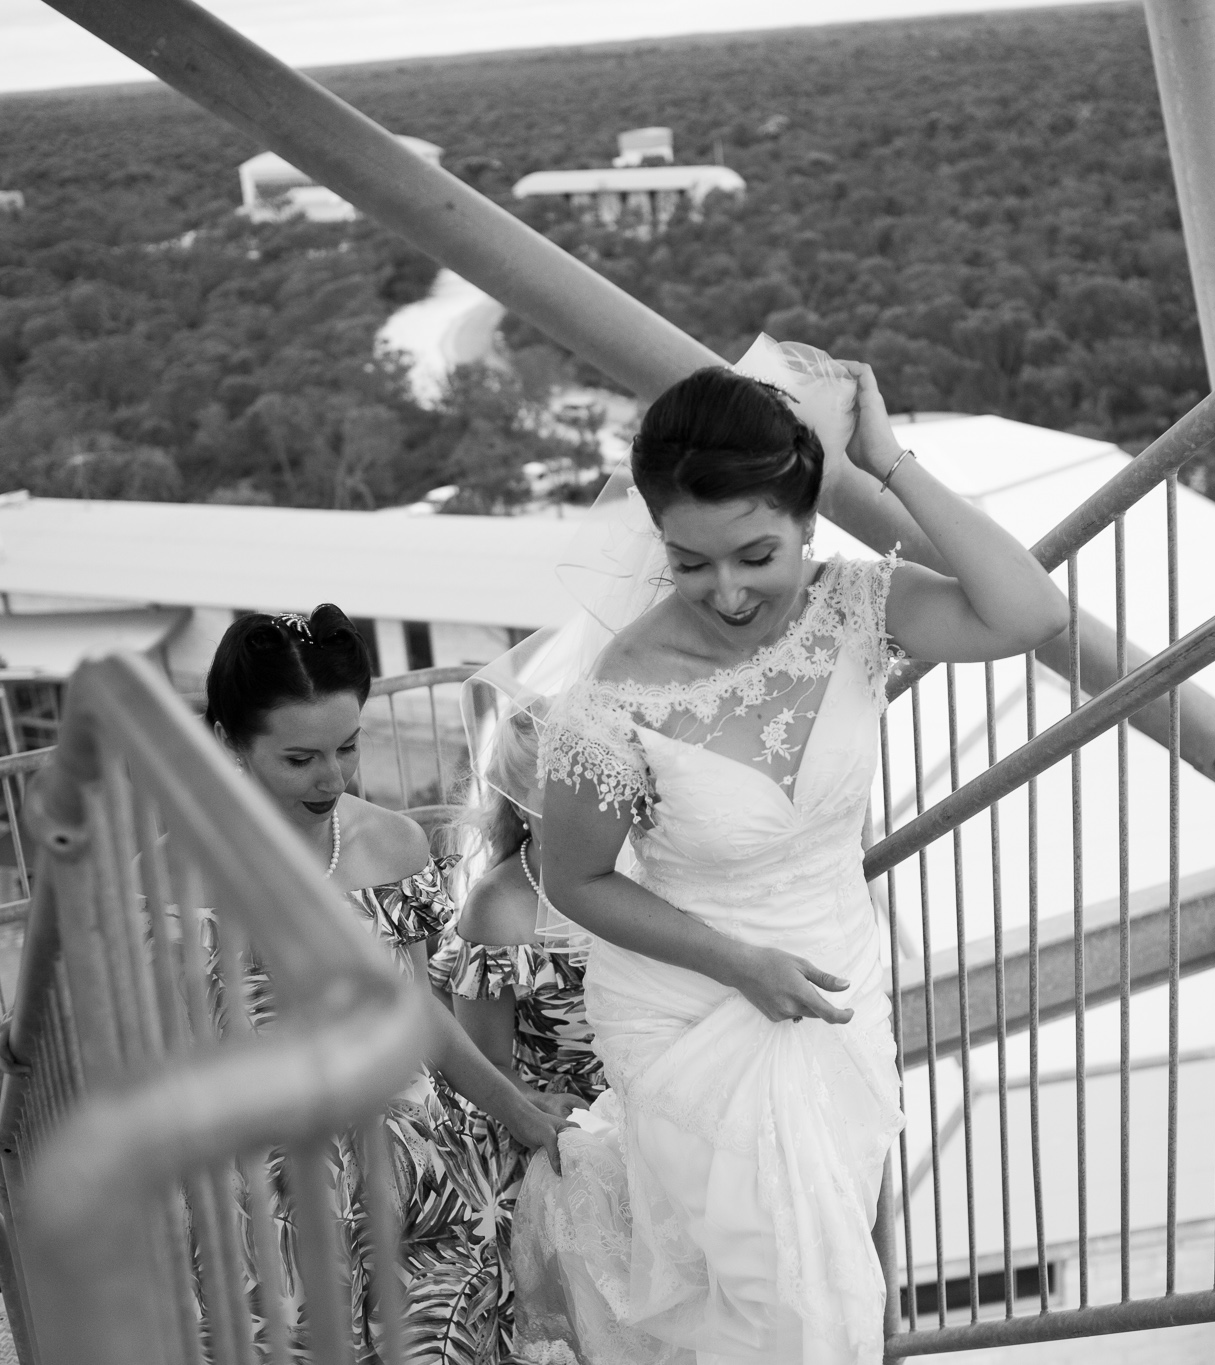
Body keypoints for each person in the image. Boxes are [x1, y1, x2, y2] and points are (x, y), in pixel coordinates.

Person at [512, 357, 1068, 1365]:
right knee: (794, 1302)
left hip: (837, 983)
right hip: (690, 1003)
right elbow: (573, 878)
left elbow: (1030, 615)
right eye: (688, 563)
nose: (723, 592)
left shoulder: (855, 609)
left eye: (754, 553)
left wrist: (888, 463)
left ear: (809, 519)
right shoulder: (614, 698)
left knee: (806, 1276)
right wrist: (740, 964)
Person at [203, 605, 568, 1364]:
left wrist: (523, 1116)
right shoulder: (173, 878)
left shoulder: (392, 844)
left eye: (348, 745)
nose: (332, 777)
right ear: (227, 743)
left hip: (421, 1178)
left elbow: (424, 1017)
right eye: (300, 759)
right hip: (267, 1198)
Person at [433, 703, 606, 1110]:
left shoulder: (655, 873)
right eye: (558, 807)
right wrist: (536, 1102)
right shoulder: (496, 910)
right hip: (564, 1122)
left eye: (599, 798)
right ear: (517, 804)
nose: (585, 825)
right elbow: (485, 1064)